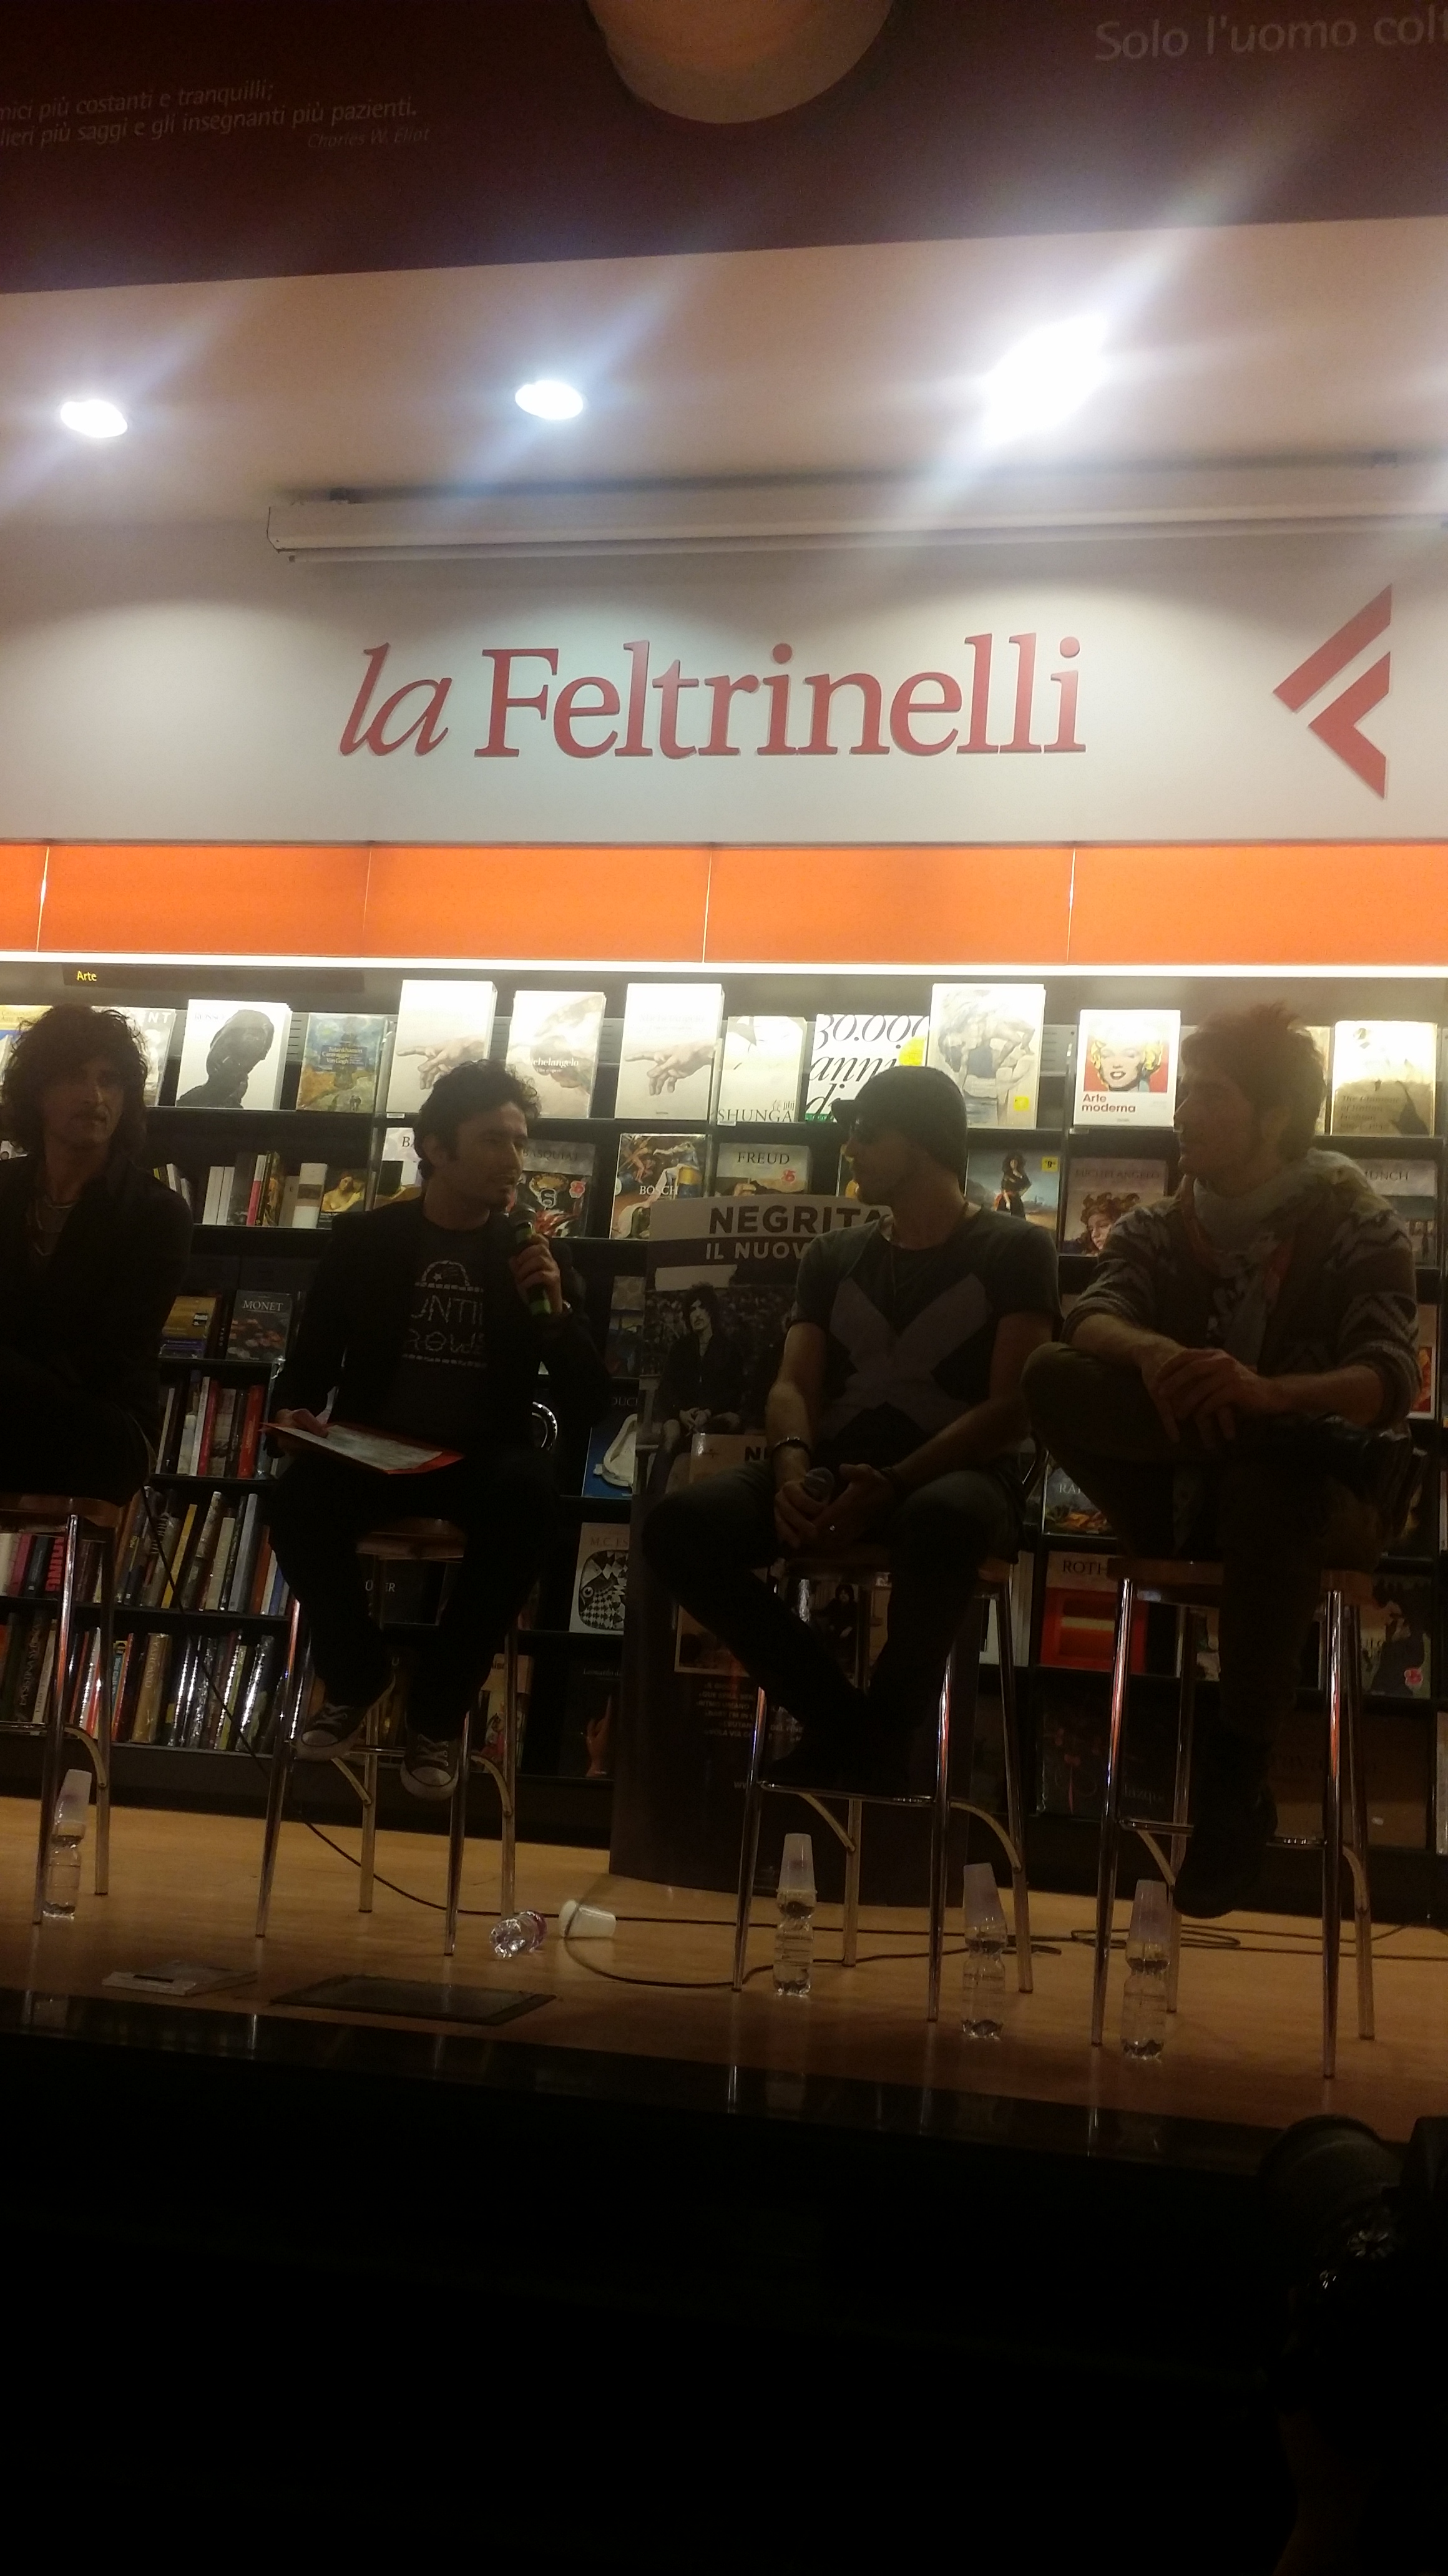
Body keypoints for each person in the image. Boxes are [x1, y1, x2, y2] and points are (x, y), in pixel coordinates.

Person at [1024, 1003, 1419, 1916]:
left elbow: (1389, 1379)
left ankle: (1235, 1776)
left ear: (1273, 1117)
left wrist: (1270, 1393)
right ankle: (1285, 1442)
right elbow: (1090, 1317)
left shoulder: (1359, 1223)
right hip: (1186, 1491)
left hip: (1315, 1506)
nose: (1183, 1113)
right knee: (1049, 1376)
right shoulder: (1159, 1224)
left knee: (1268, 1485)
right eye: (1186, 1093)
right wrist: (1159, 1356)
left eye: (1209, 1095)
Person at [643, 1065, 1060, 1791]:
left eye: (866, 1132)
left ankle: (883, 1733)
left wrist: (895, 1482)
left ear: (921, 1143)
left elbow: (1011, 1408)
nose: (850, 1149)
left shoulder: (1014, 1248)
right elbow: (791, 1384)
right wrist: (790, 1471)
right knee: (679, 1529)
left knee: (943, 1520)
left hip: (957, 1475)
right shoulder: (832, 1256)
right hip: (832, 1464)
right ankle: (853, 1732)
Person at [267, 1062, 609, 1800]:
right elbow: (311, 1363)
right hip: (373, 1447)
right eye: (492, 1141)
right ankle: (356, 1677)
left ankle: (436, 1710)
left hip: (480, 1460)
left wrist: (555, 1314)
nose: (513, 1160)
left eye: (519, 1142)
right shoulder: (366, 1240)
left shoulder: (535, 1252)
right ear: (435, 1149)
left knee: (530, 1500)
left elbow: (588, 1398)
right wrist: (293, 1417)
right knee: (294, 1500)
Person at [0, 1003, 191, 1501]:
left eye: (110, 1080)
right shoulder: (4, 1191)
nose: (95, 1096)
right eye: (75, 1077)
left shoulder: (156, 1213)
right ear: (37, 1092)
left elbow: (105, 1359)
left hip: (102, 1424)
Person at [654, 1284, 745, 1437]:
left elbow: (734, 1391)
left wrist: (708, 1412)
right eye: (692, 1310)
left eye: (702, 1308)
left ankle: (700, 1435)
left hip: (714, 1419)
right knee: (671, 1429)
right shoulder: (680, 1348)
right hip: (684, 1419)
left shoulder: (729, 1349)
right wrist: (681, 1413)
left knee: (733, 1421)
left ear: (711, 1312)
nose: (697, 1314)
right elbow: (666, 1388)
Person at [177, 1007, 277, 1108]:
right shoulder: (190, 1100)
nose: (225, 1059)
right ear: (216, 1037)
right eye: (225, 1038)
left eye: (251, 1042)